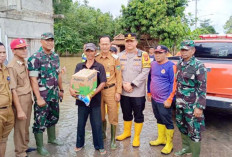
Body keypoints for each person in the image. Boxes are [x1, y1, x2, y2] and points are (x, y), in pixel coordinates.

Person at [27, 32, 64, 156]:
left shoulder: (55, 56)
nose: (50, 42)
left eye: (52, 40)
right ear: (41, 41)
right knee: (40, 121)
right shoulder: (34, 58)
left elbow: (58, 75)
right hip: (42, 96)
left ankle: (52, 139)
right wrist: (38, 98)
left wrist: (61, 90)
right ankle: (40, 147)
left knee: (53, 117)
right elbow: (33, 80)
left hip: (54, 95)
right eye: (47, 40)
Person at [70, 43, 107, 155]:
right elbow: (73, 80)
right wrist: (71, 90)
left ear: (95, 52)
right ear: (84, 52)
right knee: (81, 123)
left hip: (95, 100)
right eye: (88, 51)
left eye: (92, 51)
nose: (90, 53)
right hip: (81, 100)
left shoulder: (99, 67)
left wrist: (92, 94)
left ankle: (99, 146)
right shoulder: (79, 66)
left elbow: (103, 83)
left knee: (96, 124)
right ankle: (79, 144)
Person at [116, 33, 150, 147]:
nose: (129, 43)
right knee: (126, 113)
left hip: (137, 92)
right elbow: (117, 72)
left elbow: (145, 71)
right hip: (124, 91)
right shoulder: (119, 56)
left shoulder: (143, 55)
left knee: (138, 114)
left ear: (136, 42)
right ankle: (127, 132)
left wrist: (132, 84)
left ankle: (136, 136)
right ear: (124, 43)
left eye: (132, 41)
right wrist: (123, 85)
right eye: (127, 41)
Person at [174, 40, 207, 157]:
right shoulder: (180, 64)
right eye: (182, 50)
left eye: (186, 50)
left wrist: (199, 107)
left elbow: (202, 88)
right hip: (180, 103)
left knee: (194, 130)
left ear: (193, 51)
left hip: (192, 105)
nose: (183, 52)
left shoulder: (199, 66)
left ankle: (195, 154)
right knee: (181, 125)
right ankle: (187, 148)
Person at [8, 39, 36, 157]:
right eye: (21, 48)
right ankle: (20, 153)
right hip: (19, 100)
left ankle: (24, 146)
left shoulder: (23, 62)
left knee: (25, 125)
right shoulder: (12, 66)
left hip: (28, 98)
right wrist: (18, 109)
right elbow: (13, 89)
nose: (25, 50)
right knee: (20, 127)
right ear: (14, 51)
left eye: (25, 47)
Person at [147, 45, 176, 155]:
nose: (157, 55)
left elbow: (174, 84)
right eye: (156, 53)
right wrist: (149, 92)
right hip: (154, 99)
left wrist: (169, 99)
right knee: (158, 118)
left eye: (160, 52)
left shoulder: (171, 66)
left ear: (166, 53)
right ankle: (161, 139)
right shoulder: (153, 64)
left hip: (164, 100)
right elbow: (150, 79)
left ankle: (169, 143)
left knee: (167, 121)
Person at [95, 36, 122, 149]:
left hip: (111, 90)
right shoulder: (96, 58)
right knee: (100, 115)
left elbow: (119, 75)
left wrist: (118, 92)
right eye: (102, 44)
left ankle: (112, 140)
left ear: (110, 45)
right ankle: (103, 133)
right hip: (98, 91)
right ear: (99, 45)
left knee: (113, 115)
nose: (105, 46)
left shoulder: (115, 59)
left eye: (107, 44)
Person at [0, 42, 14, 157]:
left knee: (4, 140)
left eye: (4, 52)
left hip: (9, 110)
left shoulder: (5, 68)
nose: (2, 55)